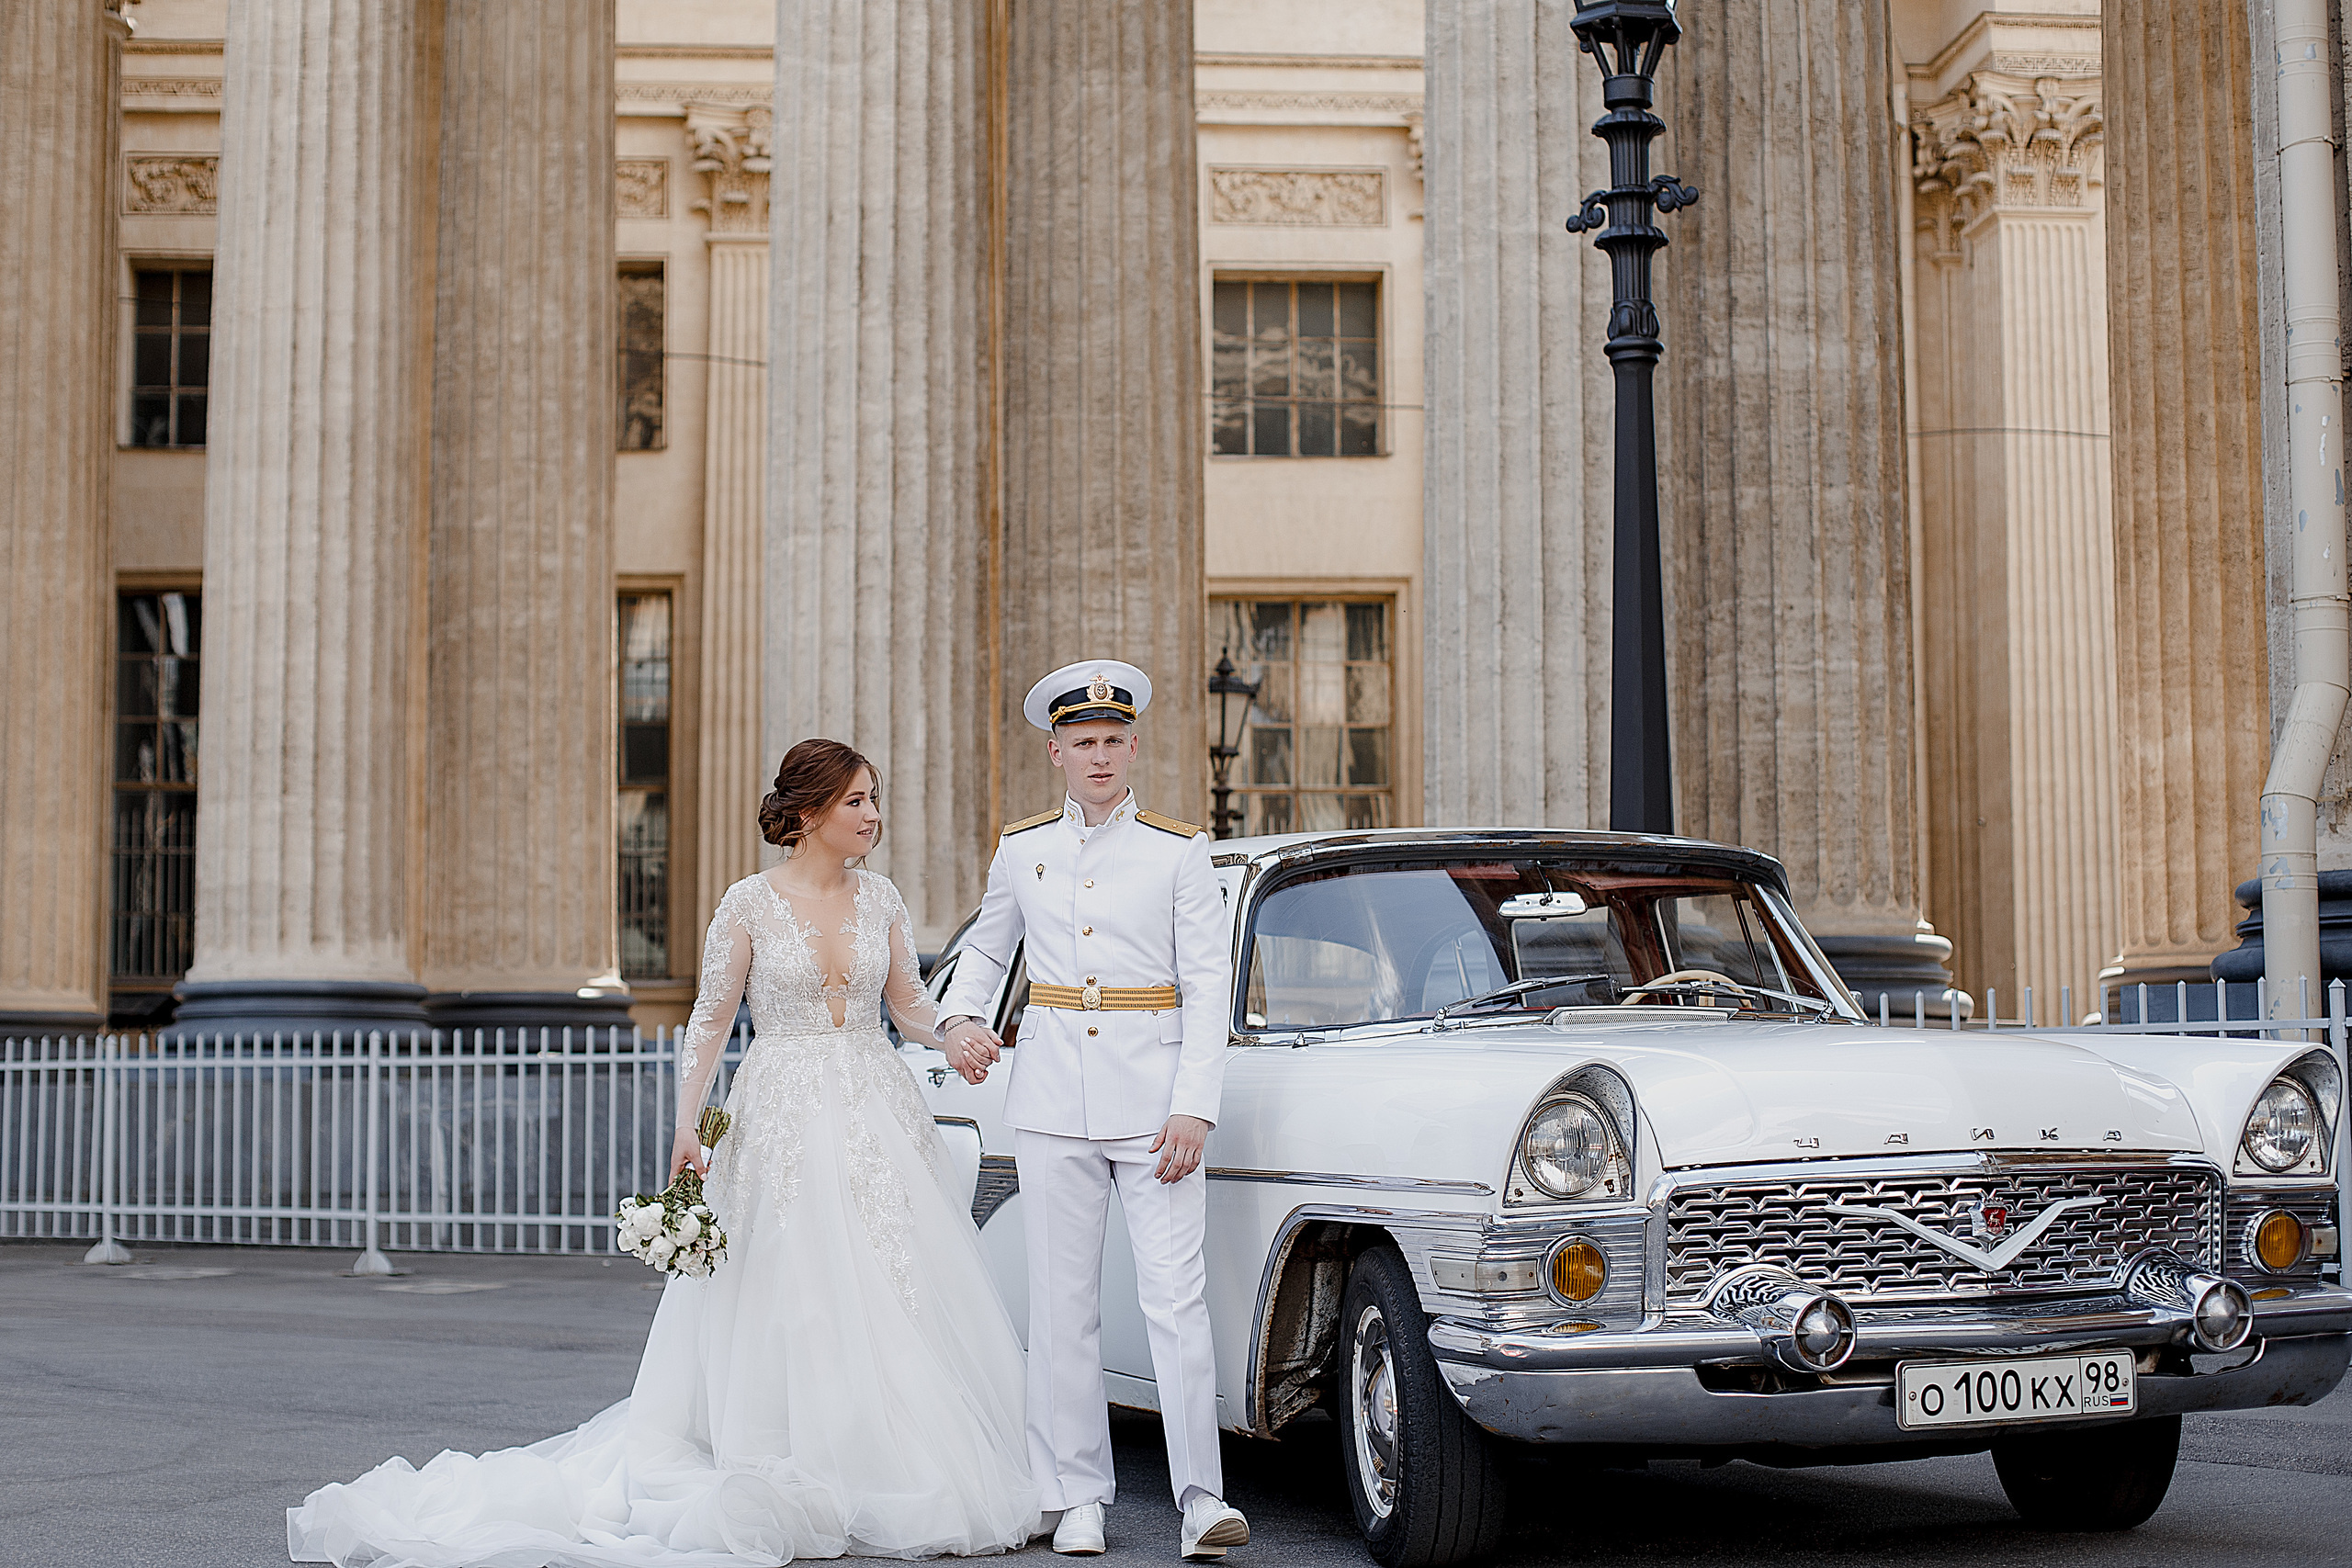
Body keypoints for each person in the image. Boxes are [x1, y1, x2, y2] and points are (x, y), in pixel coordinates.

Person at [288, 739, 1040, 1566]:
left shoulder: (884, 898)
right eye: (858, 800)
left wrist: (960, 1031)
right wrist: (689, 1123)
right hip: (781, 1107)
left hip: (873, 1105)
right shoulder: (748, 903)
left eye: (872, 799)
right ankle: (789, 1446)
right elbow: (712, 1020)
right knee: (793, 1277)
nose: (874, 815)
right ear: (811, 811)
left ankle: (897, 1454)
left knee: (893, 1277)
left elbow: (911, 1007)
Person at [938, 660, 1249, 1562]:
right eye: (1084, 744)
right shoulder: (1022, 846)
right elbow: (987, 955)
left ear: (1133, 747)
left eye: (1114, 741)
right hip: (1050, 1099)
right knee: (1062, 1304)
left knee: (1174, 1301)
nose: (1100, 756)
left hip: (1155, 1106)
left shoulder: (1177, 848)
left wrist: (1194, 1105)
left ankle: (1200, 1496)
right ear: (1057, 753)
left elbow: (1205, 986)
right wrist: (960, 1019)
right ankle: (1074, 1495)